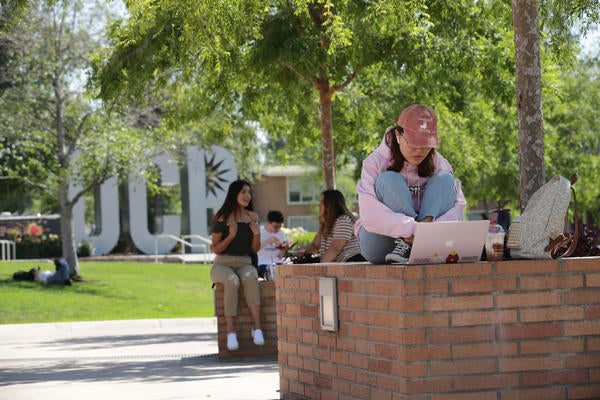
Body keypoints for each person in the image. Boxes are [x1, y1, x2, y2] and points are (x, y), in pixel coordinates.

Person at [355, 104, 466, 264]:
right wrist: (415, 229)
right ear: (398, 135)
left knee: (446, 180)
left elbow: (458, 208)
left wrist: (429, 229)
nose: (419, 151)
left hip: (427, 241)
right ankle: (409, 245)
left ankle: (416, 246)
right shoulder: (374, 162)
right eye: (414, 143)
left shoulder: (439, 162)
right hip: (379, 241)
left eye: (425, 144)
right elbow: (370, 216)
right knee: (389, 180)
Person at [210, 179, 264, 351]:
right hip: (222, 264)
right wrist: (231, 235)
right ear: (234, 194)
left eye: (249, 192)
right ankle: (231, 332)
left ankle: (257, 328)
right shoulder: (221, 218)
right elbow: (216, 249)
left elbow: (255, 249)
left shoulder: (253, 217)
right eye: (243, 192)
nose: (247, 195)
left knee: (251, 277)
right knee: (232, 281)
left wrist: (256, 235)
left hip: (244, 262)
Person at [297, 190, 365, 263]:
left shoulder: (343, 220)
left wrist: (321, 268)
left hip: (351, 265)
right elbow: (315, 246)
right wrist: (301, 249)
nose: (318, 205)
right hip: (338, 266)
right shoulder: (327, 223)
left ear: (330, 204)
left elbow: (335, 249)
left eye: (322, 202)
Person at [256, 210, 290, 279]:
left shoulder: (281, 233)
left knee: (288, 274)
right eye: (275, 226)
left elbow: (280, 256)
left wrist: (284, 248)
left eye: (279, 227)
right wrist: (268, 241)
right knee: (271, 275)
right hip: (262, 264)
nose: (277, 229)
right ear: (268, 223)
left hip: (277, 263)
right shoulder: (259, 232)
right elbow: (255, 249)